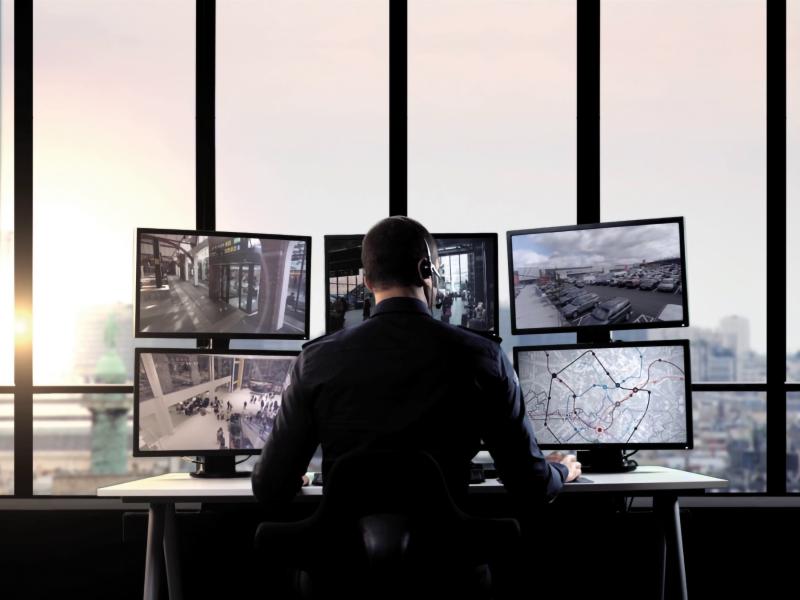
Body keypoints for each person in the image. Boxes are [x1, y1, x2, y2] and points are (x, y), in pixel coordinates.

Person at [251, 217, 580, 591]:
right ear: (428, 272)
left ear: (365, 279)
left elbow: (269, 489)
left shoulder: (315, 360)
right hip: (447, 575)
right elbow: (530, 486)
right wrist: (562, 471)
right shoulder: (483, 357)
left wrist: (298, 475)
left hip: (340, 579)